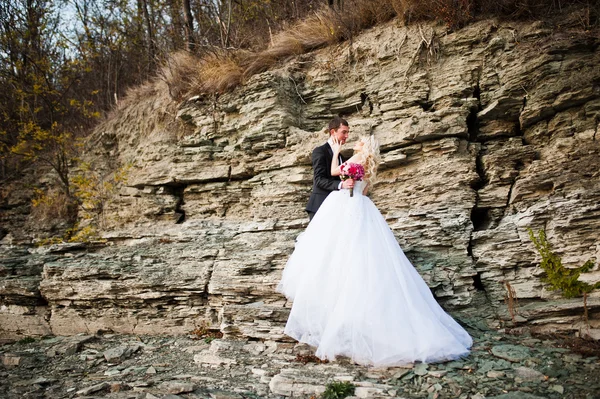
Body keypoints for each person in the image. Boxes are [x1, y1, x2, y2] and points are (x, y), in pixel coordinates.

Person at [278, 135, 472, 367]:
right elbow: (365, 191)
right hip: (361, 204)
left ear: (364, 146)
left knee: (337, 252)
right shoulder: (370, 165)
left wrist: (338, 153)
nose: (356, 143)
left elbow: (333, 172)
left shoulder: (356, 158)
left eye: (359, 141)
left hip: (346, 204)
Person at [305, 116, 355, 220]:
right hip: (320, 205)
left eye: (348, 132)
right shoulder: (320, 151)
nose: (347, 135)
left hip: (336, 207)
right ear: (333, 132)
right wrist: (342, 184)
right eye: (344, 132)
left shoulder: (341, 156)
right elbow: (319, 180)